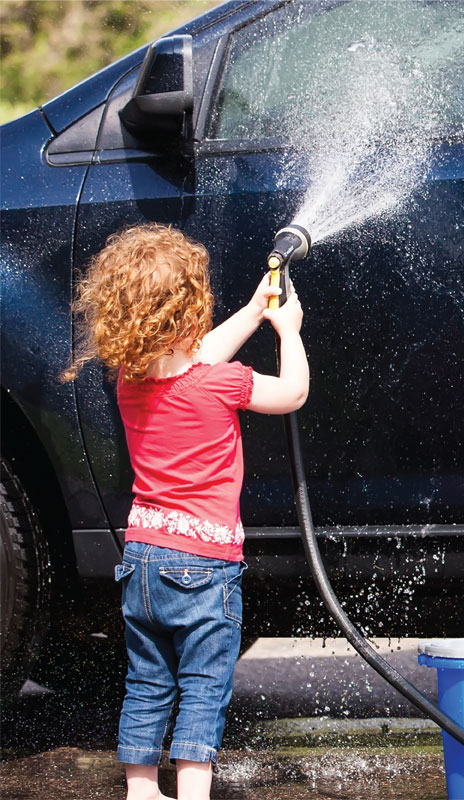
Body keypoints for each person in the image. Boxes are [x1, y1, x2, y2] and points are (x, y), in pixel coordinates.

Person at [61, 223, 309, 800]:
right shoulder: (222, 384)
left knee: (147, 681)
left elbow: (190, 359)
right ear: (191, 311)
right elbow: (292, 393)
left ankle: (143, 790)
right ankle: (193, 793)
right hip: (205, 566)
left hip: (143, 560)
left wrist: (253, 312)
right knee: (203, 686)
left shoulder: (129, 380)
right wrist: (287, 332)